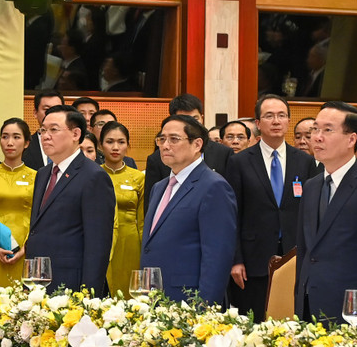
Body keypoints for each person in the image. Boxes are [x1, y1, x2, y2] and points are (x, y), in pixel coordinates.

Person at [295, 101, 357, 324]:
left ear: (351, 139)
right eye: (315, 129)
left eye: (327, 130)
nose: (317, 137)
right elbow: (305, 250)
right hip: (309, 306)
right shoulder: (311, 186)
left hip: (351, 312)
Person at [226, 95, 317, 322]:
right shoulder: (240, 162)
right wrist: (235, 259)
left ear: (288, 121)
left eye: (281, 115)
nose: (276, 121)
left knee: (294, 324)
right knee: (255, 325)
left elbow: (311, 213)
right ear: (258, 123)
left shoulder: (305, 161)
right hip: (253, 259)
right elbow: (231, 215)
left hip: (295, 255)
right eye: (269, 116)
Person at [142, 114, 237, 305]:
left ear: (197, 144)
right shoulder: (159, 187)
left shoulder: (213, 186)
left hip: (188, 300)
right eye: (162, 139)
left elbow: (217, 257)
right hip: (154, 297)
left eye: (174, 139)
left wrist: (205, 308)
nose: (165, 145)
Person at [25, 105, 115, 295]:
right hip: (37, 281)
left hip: (70, 285)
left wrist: (88, 295)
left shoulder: (93, 176)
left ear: (75, 134)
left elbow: (98, 245)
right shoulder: (42, 174)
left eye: (53, 130)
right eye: (43, 130)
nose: (45, 136)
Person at [144, 94, 233, 209]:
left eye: (195, 119)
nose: (191, 125)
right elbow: (151, 208)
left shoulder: (223, 153)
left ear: (202, 118)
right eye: (184, 119)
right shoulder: (157, 161)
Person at [0, 118, 36, 285]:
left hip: (25, 246)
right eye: (5, 137)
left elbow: (38, 217)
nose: (10, 142)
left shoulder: (37, 177)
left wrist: (25, 248)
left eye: (16, 137)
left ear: (26, 143)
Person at [99, 121, 143, 295]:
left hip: (130, 242)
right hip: (100, 240)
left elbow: (143, 220)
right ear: (100, 145)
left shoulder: (139, 178)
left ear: (128, 146)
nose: (115, 147)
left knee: (130, 293)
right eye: (109, 142)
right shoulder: (93, 175)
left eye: (121, 142)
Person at [23, 90, 64, 170]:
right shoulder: (24, 147)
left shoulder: (72, 144)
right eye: (47, 109)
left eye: (57, 109)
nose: (52, 114)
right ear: (35, 113)